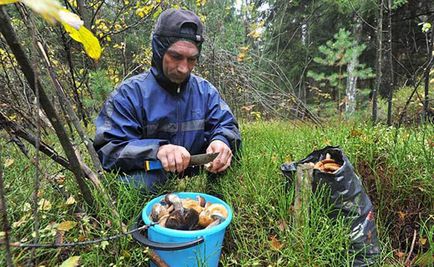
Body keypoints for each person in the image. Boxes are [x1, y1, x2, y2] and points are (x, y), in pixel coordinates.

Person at [93, 8, 241, 191]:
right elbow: (109, 148)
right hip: (151, 176)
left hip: (199, 176)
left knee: (229, 168)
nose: (184, 68)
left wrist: (222, 142)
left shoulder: (206, 92)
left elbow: (227, 126)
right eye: (176, 57)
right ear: (159, 50)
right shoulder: (128, 94)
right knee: (140, 185)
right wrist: (157, 151)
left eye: (192, 59)